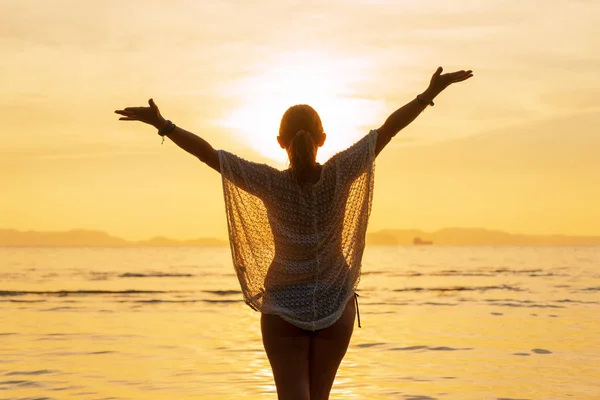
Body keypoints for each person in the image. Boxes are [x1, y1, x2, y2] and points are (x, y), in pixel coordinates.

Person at [115, 66, 473, 400]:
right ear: (322, 138)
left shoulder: (270, 182)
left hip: (284, 304)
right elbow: (388, 130)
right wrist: (428, 94)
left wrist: (163, 125)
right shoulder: (338, 173)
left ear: (279, 141)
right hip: (335, 302)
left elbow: (209, 155)